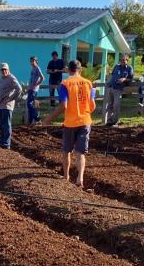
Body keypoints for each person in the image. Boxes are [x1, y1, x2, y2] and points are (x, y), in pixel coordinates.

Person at [38, 59, 96, 188]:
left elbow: (63, 106)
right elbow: (93, 106)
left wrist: (48, 119)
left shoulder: (65, 84)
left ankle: (66, 176)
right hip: (85, 121)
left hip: (70, 122)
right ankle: (80, 178)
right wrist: (84, 112)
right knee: (80, 152)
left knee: (67, 151)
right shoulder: (89, 84)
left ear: (68, 70)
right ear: (80, 70)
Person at [0, 62, 22, 149]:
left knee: (6, 124)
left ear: (8, 70)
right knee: (2, 124)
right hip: (0, 105)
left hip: (7, 105)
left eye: (5, 69)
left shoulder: (11, 78)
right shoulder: (2, 79)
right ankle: (2, 142)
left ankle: (6, 144)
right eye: (2, 70)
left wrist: (11, 98)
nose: (4, 71)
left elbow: (19, 89)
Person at [105, 53, 133, 126]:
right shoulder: (116, 66)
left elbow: (130, 79)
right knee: (109, 105)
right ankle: (109, 121)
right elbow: (112, 75)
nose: (123, 61)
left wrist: (124, 79)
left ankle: (115, 121)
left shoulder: (129, 68)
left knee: (116, 105)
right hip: (111, 87)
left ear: (127, 60)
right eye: (121, 60)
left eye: (124, 60)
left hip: (118, 89)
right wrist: (109, 82)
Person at [26, 56, 44, 124]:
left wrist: (37, 84)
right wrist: (28, 87)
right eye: (31, 61)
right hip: (30, 88)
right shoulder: (33, 68)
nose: (31, 62)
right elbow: (31, 79)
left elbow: (42, 78)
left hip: (34, 89)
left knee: (29, 104)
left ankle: (37, 118)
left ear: (36, 61)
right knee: (30, 105)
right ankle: (30, 121)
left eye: (33, 61)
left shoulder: (37, 68)